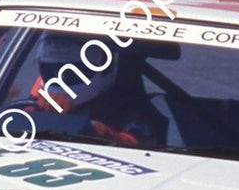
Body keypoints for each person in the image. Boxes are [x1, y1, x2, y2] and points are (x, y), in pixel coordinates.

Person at [23, 34, 166, 145]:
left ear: (104, 67)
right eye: (51, 70)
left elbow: (135, 146)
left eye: (70, 72)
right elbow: (15, 120)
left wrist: (95, 131)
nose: (59, 78)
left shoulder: (132, 111)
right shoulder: (39, 102)